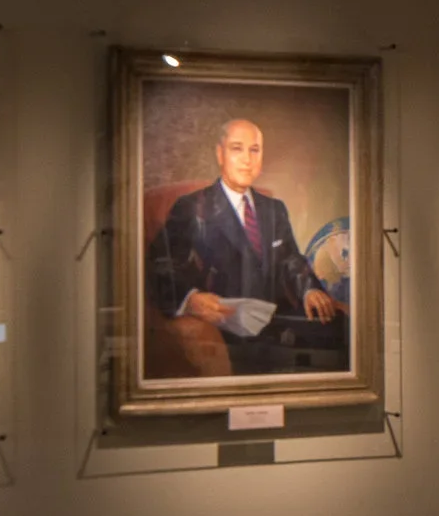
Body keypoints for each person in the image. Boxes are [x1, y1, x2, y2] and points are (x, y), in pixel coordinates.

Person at [144, 118, 339, 373]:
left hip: (277, 322)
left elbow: (290, 258)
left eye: (254, 150)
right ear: (220, 154)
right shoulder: (191, 207)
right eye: (237, 148)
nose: (247, 159)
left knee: (341, 329)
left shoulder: (274, 209)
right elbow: (160, 265)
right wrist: (190, 300)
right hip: (225, 330)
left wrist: (309, 290)